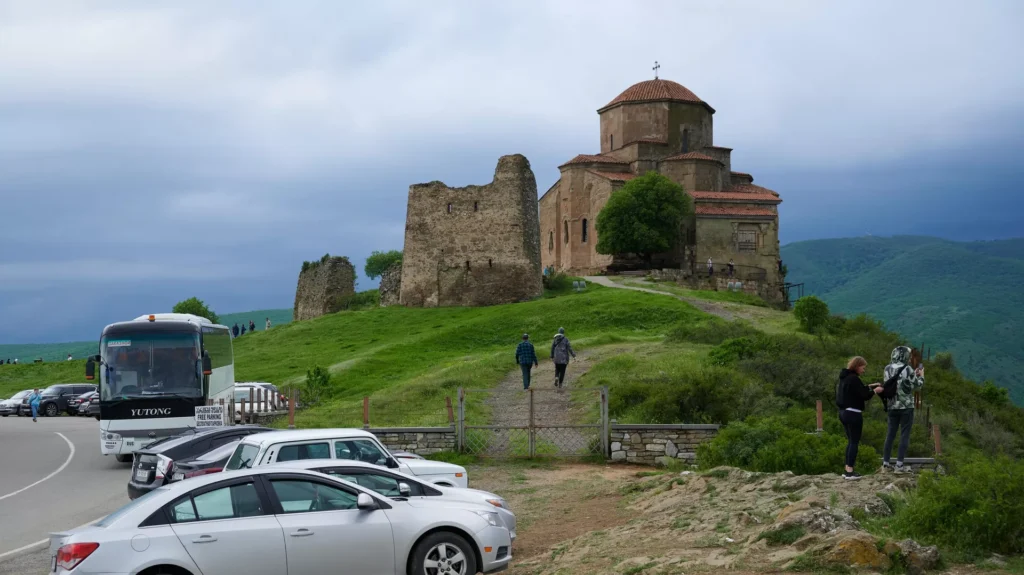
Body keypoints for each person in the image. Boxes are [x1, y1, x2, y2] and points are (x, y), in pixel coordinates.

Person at [836, 356, 883, 480]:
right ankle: (850, 471)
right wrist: (876, 391)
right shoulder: (854, 379)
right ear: (857, 366)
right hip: (853, 413)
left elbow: (858, 390)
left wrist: (870, 386)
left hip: (843, 413)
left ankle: (847, 469)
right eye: (863, 367)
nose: (863, 370)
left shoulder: (845, 378)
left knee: (850, 441)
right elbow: (864, 395)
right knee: (854, 442)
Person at [882, 346, 924, 474]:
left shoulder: (887, 368)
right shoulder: (908, 368)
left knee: (890, 434)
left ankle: (885, 463)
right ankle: (899, 465)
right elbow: (917, 386)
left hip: (892, 406)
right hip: (906, 407)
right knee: (904, 435)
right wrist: (921, 376)